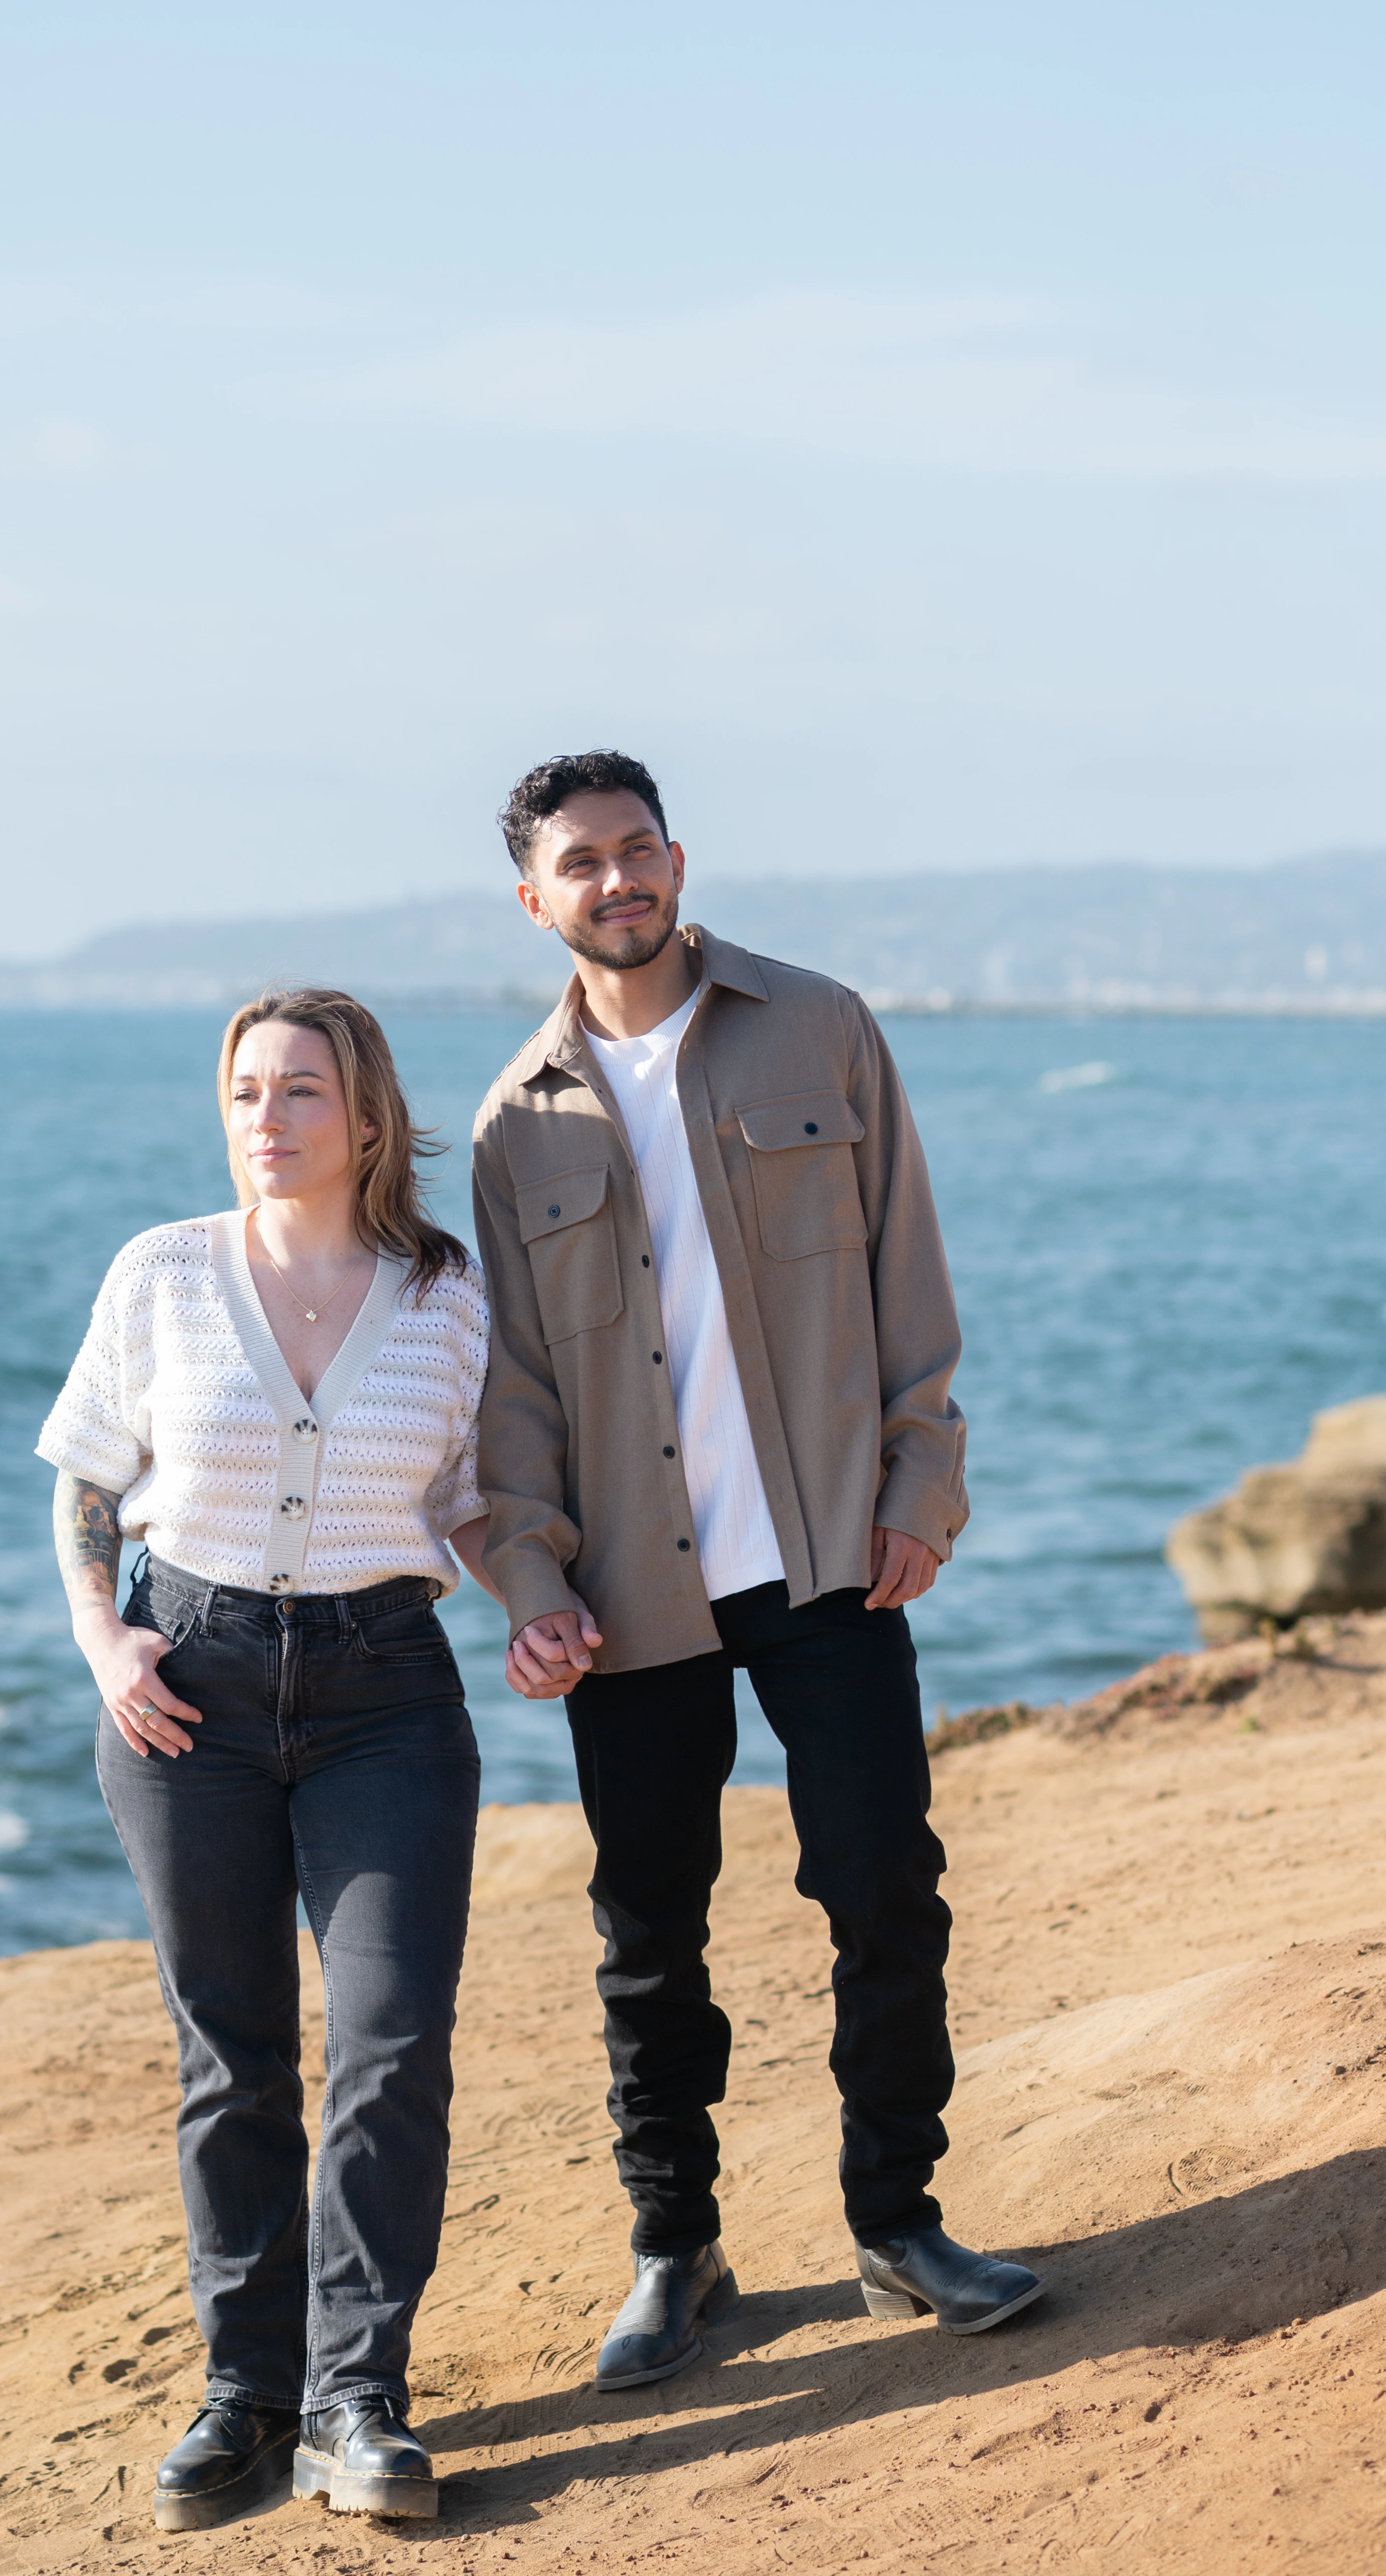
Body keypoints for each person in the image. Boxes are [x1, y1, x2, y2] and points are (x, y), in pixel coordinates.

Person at [469, 749, 1044, 2392]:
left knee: (880, 1888)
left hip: (822, 1560)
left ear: (675, 857)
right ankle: (677, 2250)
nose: (617, 880)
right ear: (535, 899)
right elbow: (509, 1387)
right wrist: (526, 1578)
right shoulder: (515, 1128)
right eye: (580, 863)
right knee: (649, 1932)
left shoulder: (817, 1025)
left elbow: (905, 1268)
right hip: (628, 1592)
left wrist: (922, 1485)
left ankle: (896, 2223)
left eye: (638, 848)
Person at [39, 987, 495, 2529]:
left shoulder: (448, 1294)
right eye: (245, 1091)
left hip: (385, 1694)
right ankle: (248, 2391)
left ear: (365, 1116)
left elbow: (482, 1502)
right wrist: (108, 1646)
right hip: (189, 1695)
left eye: (301, 1091)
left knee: (390, 2035)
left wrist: (548, 1611)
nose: (267, 1119)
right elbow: (88, 1484)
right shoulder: (160, 1276)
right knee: (227, 2052)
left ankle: (358, 2394)